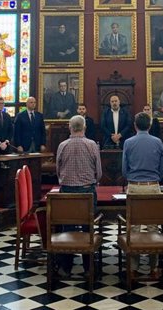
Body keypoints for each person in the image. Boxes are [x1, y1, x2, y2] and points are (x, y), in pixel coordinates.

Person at [54, 115, 102, 277]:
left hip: (66, 192)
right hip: (87, 192)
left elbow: (58, 171)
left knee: (67, 227)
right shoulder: (92, 145)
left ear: (70, 127)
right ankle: (88, 268)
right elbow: (99, 172)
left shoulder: (62, 145)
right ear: (84, 128)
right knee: (88, 227)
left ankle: (65, 267)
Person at [122, 111, 163, 276]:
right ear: (149, 125)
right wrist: (155, 179)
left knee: (133, 227)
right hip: (153, 186)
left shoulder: (128, 142)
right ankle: (154, 267)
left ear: (134, 125)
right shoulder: (158, 142)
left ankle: (133, 267)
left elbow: (124, 169)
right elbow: (162, 168)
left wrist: (131, 179)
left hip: (134, 186)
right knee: (154, 227)